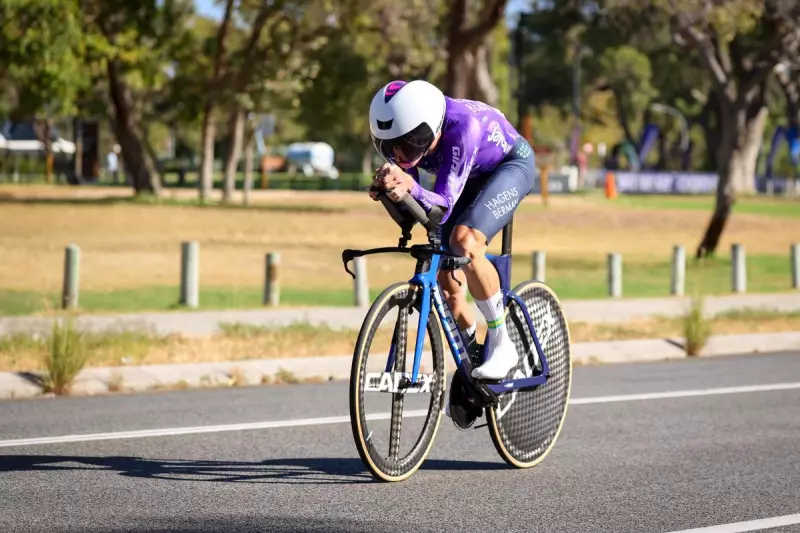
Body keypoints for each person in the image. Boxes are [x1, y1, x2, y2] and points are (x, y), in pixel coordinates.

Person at [367, 79, 536, 422]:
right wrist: (390, 192)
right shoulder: (415, 134)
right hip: (467, 175)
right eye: (389, 148)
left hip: (508, 167)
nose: (400, 156)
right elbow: (420, 209)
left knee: (465, 242)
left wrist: (410, 184)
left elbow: (441, 204)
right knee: (441, 267)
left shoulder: (461, 128)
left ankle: (503, 345)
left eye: (408, 146)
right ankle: (472, 353)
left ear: (429, 129)